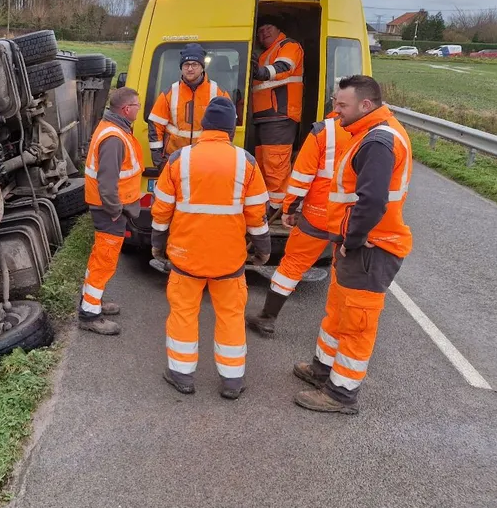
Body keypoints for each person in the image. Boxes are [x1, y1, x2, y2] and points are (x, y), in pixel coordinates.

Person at [293, 75, 413, 415]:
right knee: (339, 313)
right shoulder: (367, 134)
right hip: (361, 246)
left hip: (371, 248)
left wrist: (353, 240)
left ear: (366, 105)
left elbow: (372, 201)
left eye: (341, 105)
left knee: (357, 323)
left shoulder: (377, 142)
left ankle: (341, 394)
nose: (336, 111)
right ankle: (323, 371)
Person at [150, 96, 271, 399]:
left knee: (183, 313)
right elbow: (257, 214)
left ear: (204, 126)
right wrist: (263, 248)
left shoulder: (180, 159)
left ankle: (182, 375)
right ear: (231, 129)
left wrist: (157, 244)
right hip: (229, 260)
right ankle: (231, 381)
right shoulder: (247, 163)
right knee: (230, 315)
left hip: (185, 256)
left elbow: (161, 209)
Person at [245, 110, 352, 337]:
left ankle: (268, 317)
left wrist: (289, 209)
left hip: (319, 213)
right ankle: (342, 327)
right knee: (344, 270)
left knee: (293, 264)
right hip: (354, 218)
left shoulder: (325, 131)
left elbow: (302, 176)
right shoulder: (382, 132)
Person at [79, 87, 145, 336]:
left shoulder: (112, 129)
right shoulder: (114, 137)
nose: (139, 109)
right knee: (103, 262)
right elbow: (107, 182)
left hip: (109, 209)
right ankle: (89, 315)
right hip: (110, 211)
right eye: (137, 105)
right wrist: (116, 210)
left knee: (100, 258)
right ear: (127, 109)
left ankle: (92, 300)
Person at [147, 43, 232, 175]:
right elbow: (155, 125)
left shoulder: (218, 92)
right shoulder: (169, 93)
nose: (190, 69)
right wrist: (159, 161)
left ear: (202, 67)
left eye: (195, 64)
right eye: (186, 65)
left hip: (206, 160)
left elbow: (228, 128)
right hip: (175, 158)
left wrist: (220, 156)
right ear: (181, 68)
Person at [251, 21, 305, 215]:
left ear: (279, 29)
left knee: (275, 165)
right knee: (264, 164)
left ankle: (278, 209)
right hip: (263, 116)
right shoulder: (264, 54)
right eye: (260, 31)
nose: (264, 33)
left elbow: (284, 67)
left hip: (280, 115)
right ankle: (270, 203)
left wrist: (260, 72)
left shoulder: (288, 46)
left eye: (268, 28)